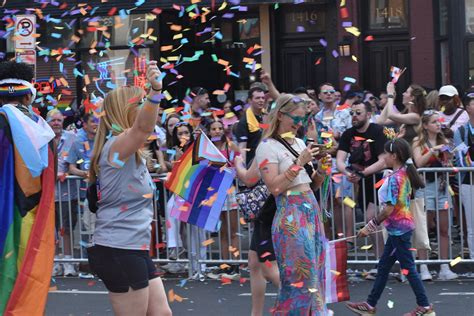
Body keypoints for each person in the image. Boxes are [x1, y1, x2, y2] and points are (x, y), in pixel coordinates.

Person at [86, 61, 172, 316]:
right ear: (127, 111)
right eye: (140, 103)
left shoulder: (129, 152)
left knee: (161, 313)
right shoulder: (115, 149)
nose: (146, 108)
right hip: (118, 248)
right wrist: (155, 93)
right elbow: (143, 128)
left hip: (133, 247)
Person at [255, 93, 329, 315]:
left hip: (310, 211)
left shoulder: (298, 142)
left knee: (316, 275)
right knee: (299, 279)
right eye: (295, 118)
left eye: (303, 118)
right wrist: (299, 162)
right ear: (280, 115)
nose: (299, 124)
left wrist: (323, 170)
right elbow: (275, 187)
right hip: (290, 216)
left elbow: (312, 184)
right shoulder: (267, 147)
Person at [346, 138, 435, 316]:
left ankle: (425, 306)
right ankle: (370, 305)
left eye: (386, 153)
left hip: (399, 231)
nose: (384, 156)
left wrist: (369, 226)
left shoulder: (397, 178)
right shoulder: (402, 173)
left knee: (408, 269)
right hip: (399, 229)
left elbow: (388, 209)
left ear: (394, 156)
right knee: (384, 268)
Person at [0, 61, 56, 315]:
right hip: (30, 215)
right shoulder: (41, 128)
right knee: (22, 273)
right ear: (28, 95)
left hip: (10, 209)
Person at [337, 101, 390, 279]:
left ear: (368, 114)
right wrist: (348, 173)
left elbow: (383, 160)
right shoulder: (347, 134)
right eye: (352, 113)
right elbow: (340, 160)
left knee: (371, 218)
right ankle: (380, 262)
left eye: (358, 113)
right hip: (362, 182)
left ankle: (383, 262)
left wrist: (362, 173)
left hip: (380, 179)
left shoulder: (377, 131)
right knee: (372, 222)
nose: (354, 116)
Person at [412, 110, 458, 280]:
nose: (438, 124)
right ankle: (423, 267)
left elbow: (449, 163)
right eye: (433, 122)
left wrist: (449, 155)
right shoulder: (419, 141)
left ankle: (444, 266)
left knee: (444, 228)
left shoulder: (444, 140)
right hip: (425, 187)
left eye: (439, 121)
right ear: (425, 125)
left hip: (441, 187)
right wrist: (433, 150)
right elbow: (419, 162)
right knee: (423, 228)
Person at [205, 120, 241, 280]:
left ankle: (235, 265)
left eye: (220, 128)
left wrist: (232, 168)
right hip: (215, 192)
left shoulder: (231, 146)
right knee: (222, 231)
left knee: (232, 229)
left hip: (229, 190)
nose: (217, 131)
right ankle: (224, 264)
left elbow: (240, 165)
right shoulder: (207, 149)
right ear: (209, 131)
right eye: (214, 129)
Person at [47, 109, 79, 277]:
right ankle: (55, 262)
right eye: (53, 120)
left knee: (66, 229)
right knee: (51, 230)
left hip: (68, 192)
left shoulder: (72, 138)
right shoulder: (42, 138)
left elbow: (80, 159)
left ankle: (68, 262)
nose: (56, 123)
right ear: (47, 122)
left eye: (59, 120)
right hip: (49, 193)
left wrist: (71, 171)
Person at [454, 92, 474, 260]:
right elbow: (462, 160)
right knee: (472, 223)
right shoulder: (460, 131)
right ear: (467, 108)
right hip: (469, 182)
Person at [235, 86, 266, 165]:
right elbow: (242, 148)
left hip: (268, 159)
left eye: (263, 98)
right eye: (257, 98)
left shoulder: (267, 116)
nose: (261, 100)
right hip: (253, 163)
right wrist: (242, 169)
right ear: (249, 101)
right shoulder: (243, 122)